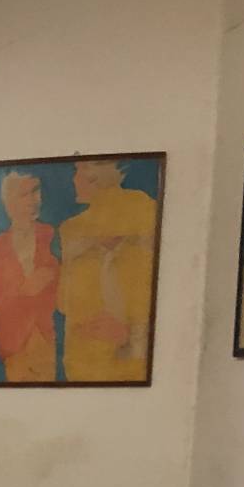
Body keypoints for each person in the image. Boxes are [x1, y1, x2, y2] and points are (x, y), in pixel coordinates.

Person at [58, 158, 156, 382]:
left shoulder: (145, 215)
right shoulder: (72, 231)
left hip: (133, 375)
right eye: (77, 170)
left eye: (84, 169)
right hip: (82, 368)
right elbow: (64, 304)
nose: (76, 179)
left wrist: (129, 337)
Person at [0, 172, 58, 382]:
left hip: (47, 335)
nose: (34, 200)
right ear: (9, 203)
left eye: (36, 191)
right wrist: (24, 290)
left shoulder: (51, 235)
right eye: (25, 194)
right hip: (14, 340)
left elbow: (66, 289)